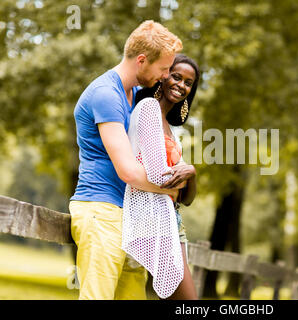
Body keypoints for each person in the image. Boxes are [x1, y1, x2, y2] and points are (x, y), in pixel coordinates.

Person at [69, 20, 184, 300]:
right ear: (142, 60)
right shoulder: (106, 94)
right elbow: (129, 171)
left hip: (131, 217)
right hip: (102, 211)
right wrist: (170, 190)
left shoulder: (133, 95)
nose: (167, 76)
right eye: (164, 68)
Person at [124, 54, 200, 300]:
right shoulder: (147, 109)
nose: (181, 85)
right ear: (163, 76)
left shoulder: (170, 128)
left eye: (188, 83)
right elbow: (159, 176)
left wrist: (192, 173)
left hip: (171, 222)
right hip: (151, 219)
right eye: (176, 77)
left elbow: (188, 198)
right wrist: (184, 174)